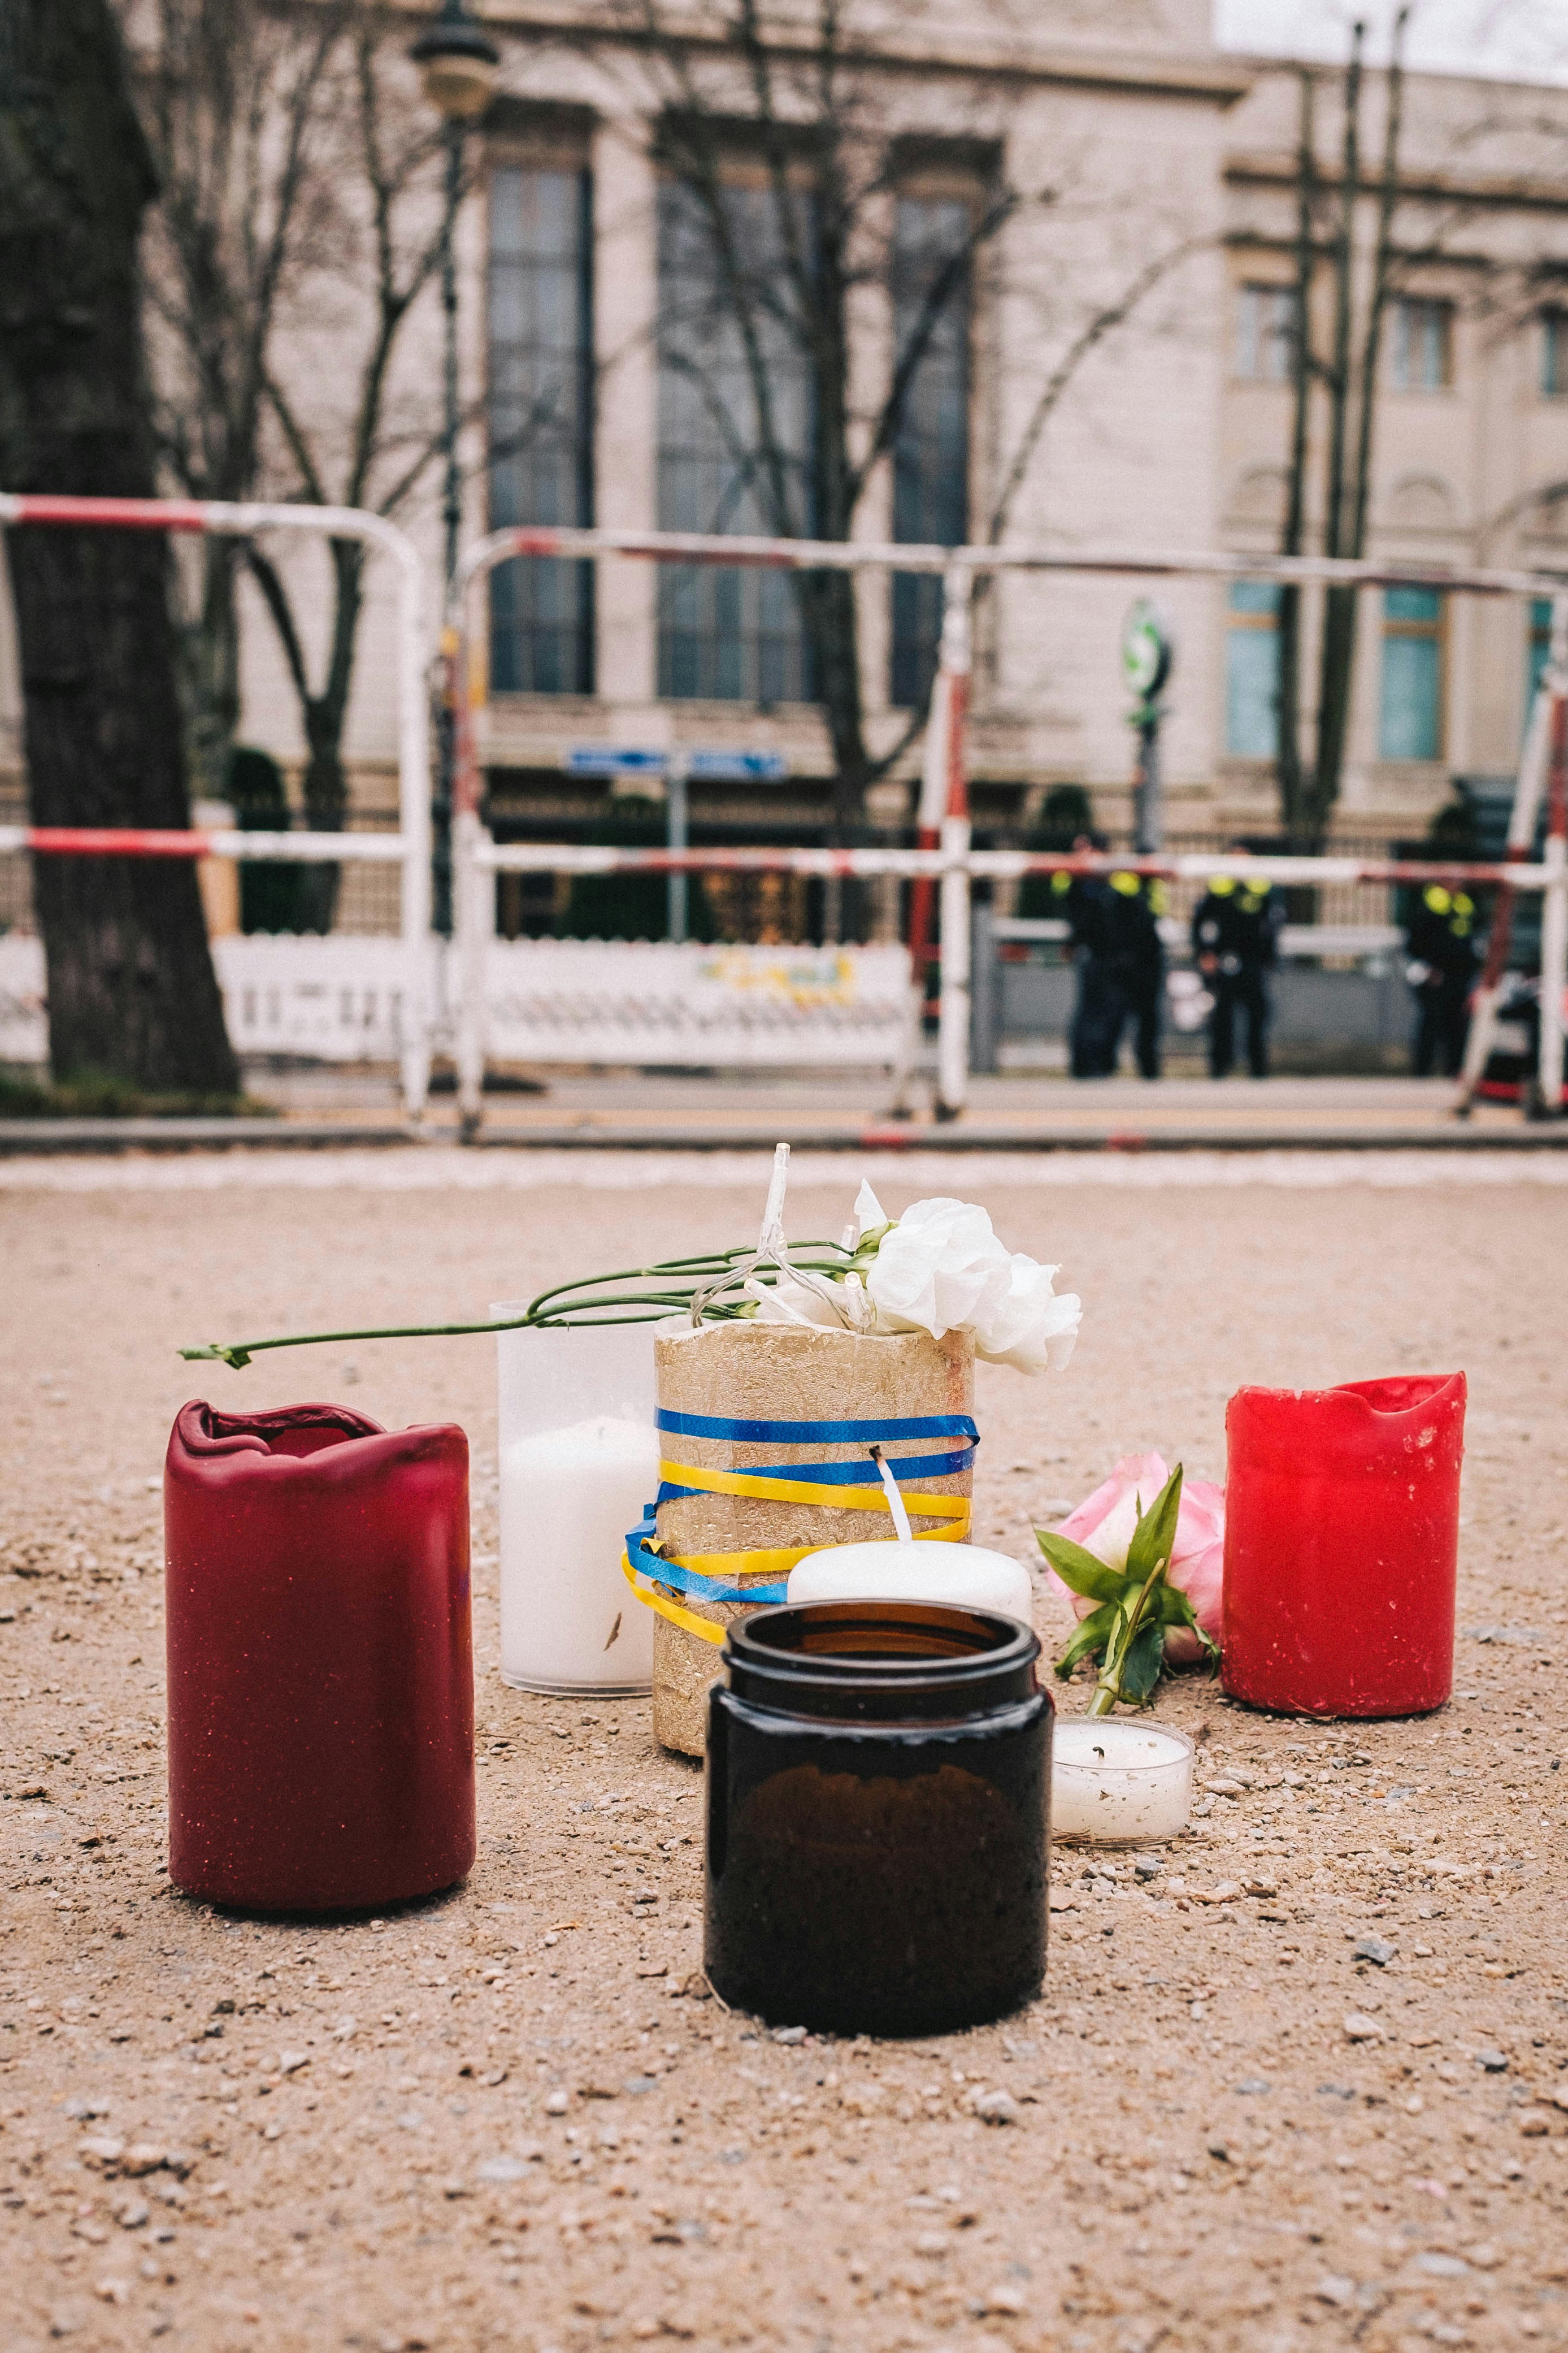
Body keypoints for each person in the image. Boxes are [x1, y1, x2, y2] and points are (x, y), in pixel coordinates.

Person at [1056, 834, 1165, 1079]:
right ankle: (1090, 1067)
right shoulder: (1077, 879)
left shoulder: (1117, 879)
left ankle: (1132, 1067)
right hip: (1101, 955)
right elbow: (1076, 910)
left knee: (1131, 1014)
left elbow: (1138, 914)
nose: (1079, 856)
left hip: (1132, 956)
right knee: (1097, 1014)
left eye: (1085, 850)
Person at [1191, 851, 1284, 1079]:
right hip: (1225, 959)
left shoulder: (1260, 887)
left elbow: (1272, 925)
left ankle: (1258, 1068)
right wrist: (1205, 953)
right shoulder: (1220, 887)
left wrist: (1269, 956)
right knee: (1222, 1016)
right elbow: (1199, 921)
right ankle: (1220, 1067)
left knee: (1257, 1016)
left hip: (1253, 961)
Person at [1404, 882, 1479, 1078]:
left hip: (1459, 975)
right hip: (1434, 976)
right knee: (1431, 1022)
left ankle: (1454, 1070)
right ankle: (1422, 1070)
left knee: (1456, 1025)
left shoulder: (1465, 904)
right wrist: (1428, 969)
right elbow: (1413, 944)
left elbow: (1468, 941)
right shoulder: (1430, 905)